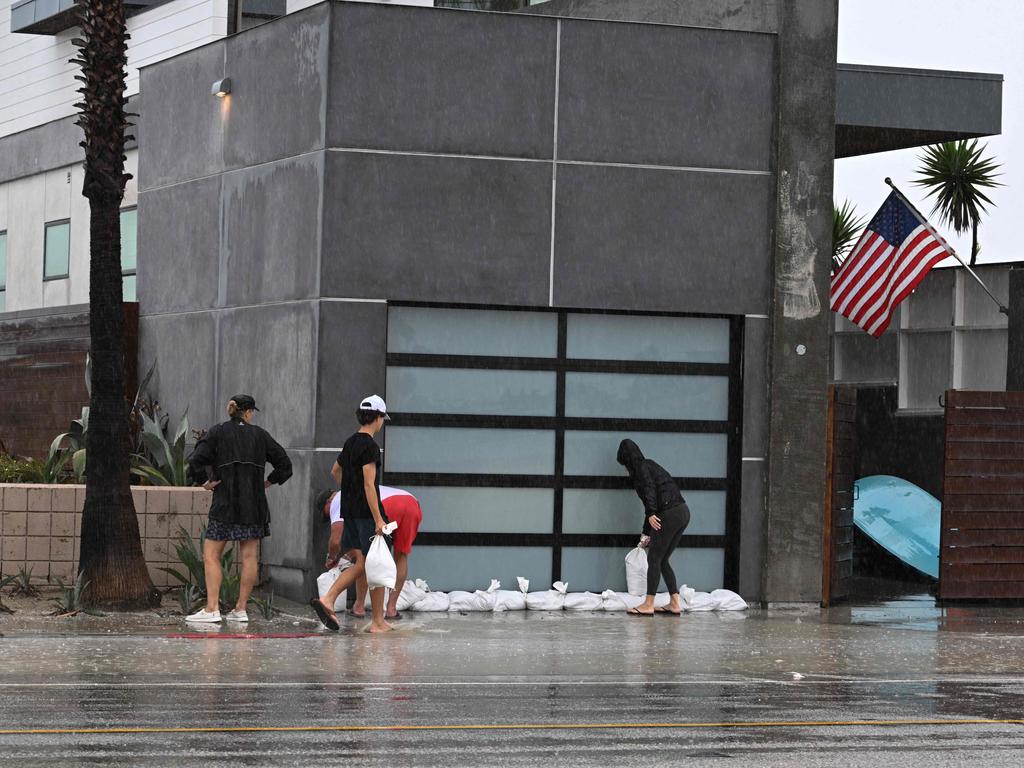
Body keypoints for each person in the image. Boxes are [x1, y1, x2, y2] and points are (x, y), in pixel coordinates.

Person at [185, 394, 292, 623]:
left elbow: (196, 459)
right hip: (253, 506)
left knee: (211, 554)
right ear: (248, 412)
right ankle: (241, 609)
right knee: (249, 555)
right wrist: (267, 482)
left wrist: (204, 481)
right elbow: (285, 464)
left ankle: (212, 609)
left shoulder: (218, 431)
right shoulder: (261, 436)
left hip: (224, 504)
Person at [311, 395, 392, 633]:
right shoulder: (370, 446)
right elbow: (369, 485)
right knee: (372, 563)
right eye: (382, 419)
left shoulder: (350, 442)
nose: (382, 423)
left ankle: (378, 620)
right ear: (377, 418)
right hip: (368, 515)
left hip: (351, 513)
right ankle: (331, 599)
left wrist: (349, 489)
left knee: (367, 562)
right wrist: (378, 518)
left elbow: (335, 471)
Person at [321, 485, 422, 620]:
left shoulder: (338, 499)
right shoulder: (356, 492)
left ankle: (358, 606)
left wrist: (331, 557)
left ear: (328, 501)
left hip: (386, 506)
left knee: (365, 558)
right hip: (412, 504)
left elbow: (335, 540)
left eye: (326, 513)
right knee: (401, 555)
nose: (329, 517)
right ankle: (391, 609)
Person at [616, 439, 690, 617]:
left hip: (669, 513)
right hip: (682, 511)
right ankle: (675, 602)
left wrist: (651, 514)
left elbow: (650, 493)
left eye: (625, 464)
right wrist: (646, 532)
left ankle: (648, 604)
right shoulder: (650, 465)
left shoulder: (641, 469)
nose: (626, 469)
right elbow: (651, 500)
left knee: (654, 559)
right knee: (663, 560)